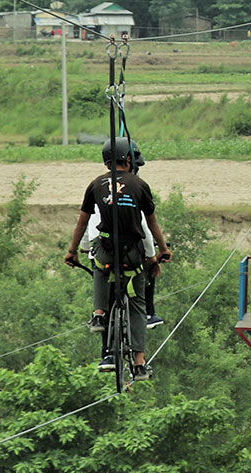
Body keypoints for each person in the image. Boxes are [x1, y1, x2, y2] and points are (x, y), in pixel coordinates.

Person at [63, 137, 171, 379]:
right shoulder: (139, 185)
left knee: (100, 268)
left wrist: (71, 251)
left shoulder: (95, 184)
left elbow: (82, 223)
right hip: (132, 252)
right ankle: (140, 363)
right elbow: (150, 224)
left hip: (105, 247)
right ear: (129, 159)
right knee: (137, 304)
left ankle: (99, 314)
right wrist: (162, 250)